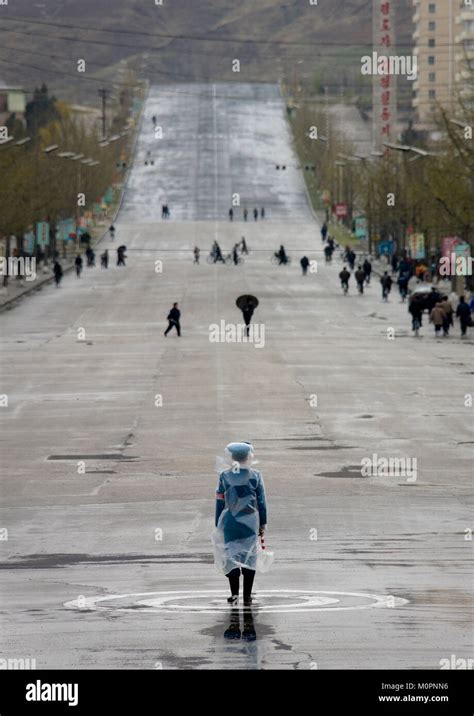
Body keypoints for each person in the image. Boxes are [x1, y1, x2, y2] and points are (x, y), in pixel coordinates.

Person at [213, 442, 267, 607]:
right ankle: (248, 597)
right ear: (248, 457)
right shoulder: (255, 476)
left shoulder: (224, 476)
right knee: (250, 556)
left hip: (230, 521)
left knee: (231, 555)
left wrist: (218, 524)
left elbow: (219, 502)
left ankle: (234, 595)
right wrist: (262, 523)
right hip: (250, 521)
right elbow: (262, 502)